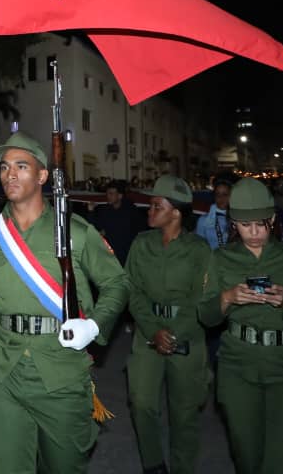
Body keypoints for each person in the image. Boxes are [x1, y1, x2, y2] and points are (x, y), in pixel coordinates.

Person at [0, 133, 128, 473]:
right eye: (4, 167)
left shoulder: (76, 232)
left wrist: (95, 325)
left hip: (59, 370)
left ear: (42, 176)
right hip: (3, 369)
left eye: (21, 166)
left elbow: (117, 283)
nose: (10, 174)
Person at [198, 177, 283, 474]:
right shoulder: (221, 260)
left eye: (261, 223)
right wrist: (227, 297)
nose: (255, 232)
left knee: (281, 462)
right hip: (238, 367)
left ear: (272, 219)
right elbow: (206, 316)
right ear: (234, 223)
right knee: (247, 456)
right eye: (246, 225)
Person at [126, 175, 211, 474]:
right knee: (141, 402)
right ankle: (153, 464)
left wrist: (172, 333)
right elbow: (132, 290)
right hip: (149, 333)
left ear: (176, 212)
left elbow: (200, 299)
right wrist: (153, 330)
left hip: (186, 335)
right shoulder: (141, 243)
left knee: (184, 414)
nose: (149, 211)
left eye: (156, 206)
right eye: (150, 205)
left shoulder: (199, 250)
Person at [89, 179, 144, 267]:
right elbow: (95, 227)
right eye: (107, 194)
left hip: (126, 254)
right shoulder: (105, 210)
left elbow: (136, 230)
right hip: (109, 254)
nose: (108, 196)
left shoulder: (130, 210)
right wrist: (91, 211)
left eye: (111, 194)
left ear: (120, 196)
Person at [195, 177, 234, 251]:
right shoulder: (203, 220)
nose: (220, 198)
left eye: (225, 194)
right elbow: (198, 247)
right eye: (217, 194)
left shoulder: (239, 219)